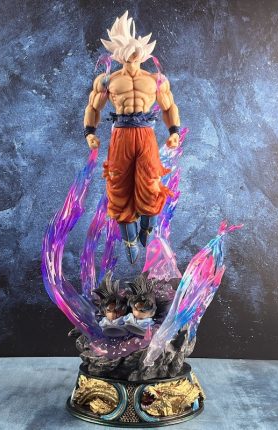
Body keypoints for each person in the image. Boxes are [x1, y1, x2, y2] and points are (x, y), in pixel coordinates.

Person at [83, 11, 181, 264]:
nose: (133, 54)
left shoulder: (156, 80)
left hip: (146, 134)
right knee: (119, 186)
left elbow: (169, 107)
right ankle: (129, 240)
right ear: (118, 52)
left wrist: (174, 132)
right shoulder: (108, 80)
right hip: (121, 135)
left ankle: (147, 228)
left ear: (144, 50)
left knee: (151, 181)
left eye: (136, 48)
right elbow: (93, 108)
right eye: (127, 49)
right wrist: (90, 133)